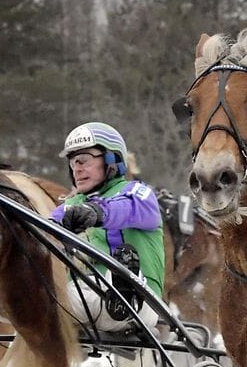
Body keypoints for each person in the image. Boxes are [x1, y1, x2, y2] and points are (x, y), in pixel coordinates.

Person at [51, 122, 165, 333]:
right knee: (47, 293)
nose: (76, 168)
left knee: (118, 268)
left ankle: (124, 292)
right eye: (73, 162)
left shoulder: (139, 193)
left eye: (83, 160)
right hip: (83, 298)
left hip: (143, 303)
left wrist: (96, 213)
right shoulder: (71, 205)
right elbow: (45, 226)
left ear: (112, 160)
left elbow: (125, 209)